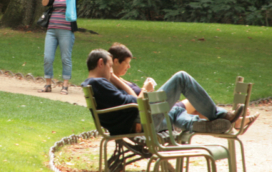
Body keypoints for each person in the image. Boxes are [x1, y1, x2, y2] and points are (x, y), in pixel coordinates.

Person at [82, 48, 243, 135]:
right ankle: (219, 115)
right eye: (110, 67)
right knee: (181, 78)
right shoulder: (98, 83)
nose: (111, 71)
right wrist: (145, 89)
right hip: (140, 123)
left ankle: (205, 124)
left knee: (177, 110)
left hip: (138, 122)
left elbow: (132, 100)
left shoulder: (97, 84)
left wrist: (114, 78)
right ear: (101, 63)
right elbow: (136, 102)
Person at [38, 0, 78, 95]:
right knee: (47, 58)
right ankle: (48, 84)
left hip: (66, 31)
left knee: (65, 58)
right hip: (51, 30)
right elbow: (44, 3)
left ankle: (65, 86)